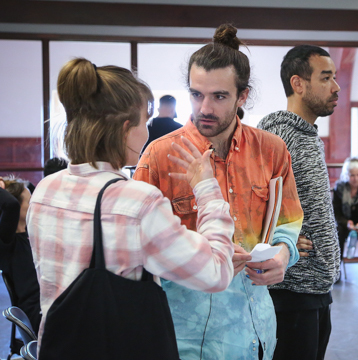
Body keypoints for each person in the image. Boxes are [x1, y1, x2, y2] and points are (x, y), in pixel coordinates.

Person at [26, 58, 235, 347]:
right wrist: (207, 189)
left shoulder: (45, 191)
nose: (147, 133)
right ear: (125, 129)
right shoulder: (137, 202)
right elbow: (216, 272)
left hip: (59, 345)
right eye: (144, 123)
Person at [134, 24, 304, 360]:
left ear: (243, 96)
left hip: (255, 329)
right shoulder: (159, 155)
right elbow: (135, 244)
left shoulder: (271, 150)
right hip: (187, 335)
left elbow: (289, 218)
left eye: (219, 96)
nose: (204, 108)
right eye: (196, 94)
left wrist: (283, 255)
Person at [257, 44, 340, 360]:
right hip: (290, 292)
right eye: (326, 78)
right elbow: (249, 198)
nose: (335, 88)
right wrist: (280, 237)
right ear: (298, 84)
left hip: (317, 290)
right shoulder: (278, 133)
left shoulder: (308, 135)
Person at [0, 175, 41, 333]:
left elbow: (34, 192)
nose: (34, 205)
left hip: (49, 303)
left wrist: (13, 184)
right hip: (38, 312)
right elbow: (10, 205)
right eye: (29, 201)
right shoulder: (1, 242)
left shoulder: (30, 233)